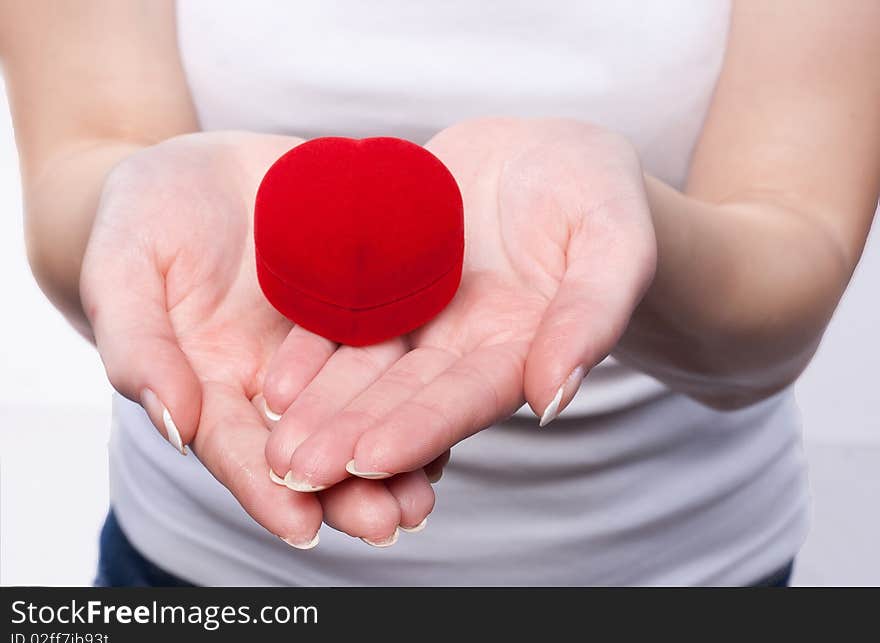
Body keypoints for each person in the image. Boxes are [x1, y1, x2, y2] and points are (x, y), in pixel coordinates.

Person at [3, 0, 878, 586]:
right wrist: (139, 205)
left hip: (687, 572)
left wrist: (625, 229)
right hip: (201, 574)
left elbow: (792, 237)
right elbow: (87, 154)